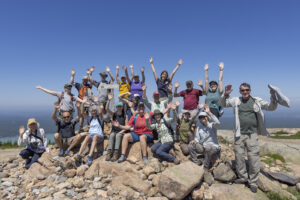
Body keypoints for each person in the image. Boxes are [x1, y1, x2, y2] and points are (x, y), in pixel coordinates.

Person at [219, 83, 278, 193]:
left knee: (253, 159)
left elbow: (271, 107)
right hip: (239, 135)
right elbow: (222, 103)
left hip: (252, 135)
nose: (245, 92)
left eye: (247, 90)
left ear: (250, 90)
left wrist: (273, 96)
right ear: (240, 91)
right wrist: (225, 94)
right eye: (242, 90)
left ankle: (253, 182)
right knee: (239, 157)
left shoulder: (256, 100)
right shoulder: (236, 100)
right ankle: (243, 177)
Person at [188, 105, 220, 171]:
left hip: (213, 147)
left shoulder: (212, 125)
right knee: (190, 145)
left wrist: (209, 113)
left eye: (203, 117)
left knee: (208, 147)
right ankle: (196, 162)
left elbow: (217, 123)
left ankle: (205, 167)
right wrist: (194, 141)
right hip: (203, 147)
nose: (201, 119)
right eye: (200, 117)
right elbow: (197, 138)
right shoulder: (199, 127)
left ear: (207, 117)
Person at [105, 93, 128, 161]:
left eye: (120, 106)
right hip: (114, 131)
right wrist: (109, 100)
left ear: (122, 107)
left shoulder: (125, 115)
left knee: (117, 136)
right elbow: (106, 109)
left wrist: (121, 132)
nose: (119, 108)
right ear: (116, 107)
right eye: (118, 106)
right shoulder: (114, 114)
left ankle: (116, 154)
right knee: (112, 135)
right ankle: (109, 153)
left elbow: (126, 126)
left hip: (122, 131)